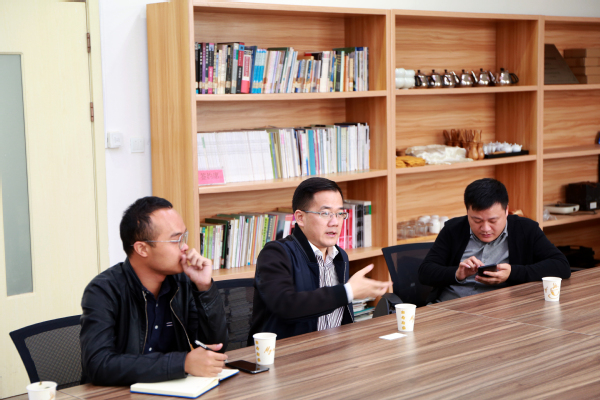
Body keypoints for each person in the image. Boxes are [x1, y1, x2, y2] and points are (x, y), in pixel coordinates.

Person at [80, 196, 228, 386]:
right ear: (142, 249)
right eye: (176, 240)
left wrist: (204, 288)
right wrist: (181, 363)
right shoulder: (103, 291)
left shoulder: (182, 282)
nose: (185, 247)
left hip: (175, 390)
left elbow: (215, 348)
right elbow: (98, 364)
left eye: (184, 237)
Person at [248, 177, 392, 343]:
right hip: (288, 353)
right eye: (325, 213)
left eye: (340, 214)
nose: (335, 222)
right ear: (300, 218)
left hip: (334, 349)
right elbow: (287, 305)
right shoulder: (275, 253)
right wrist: (348, 292)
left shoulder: (340, 256)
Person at [419, 178, 570, 303]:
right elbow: (425, 272)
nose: (485, 228)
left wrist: (513, 273)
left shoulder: (526, 229)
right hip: (451, 308)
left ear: (506, 211)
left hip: (502, 311)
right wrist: (457, 274)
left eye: (493, 221)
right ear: (467, 212)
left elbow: (561, 265)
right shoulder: (453, 229)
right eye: (477, 220)